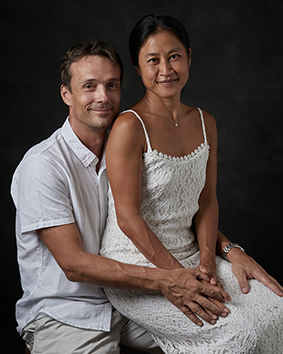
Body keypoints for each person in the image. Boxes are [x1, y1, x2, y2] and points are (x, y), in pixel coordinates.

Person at [11, 38, 281, 354]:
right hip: (68, 310)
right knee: (234, 338)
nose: (103, 97)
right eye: (89, 86)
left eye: (112, 85)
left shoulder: (121, 142)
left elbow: (175, 212)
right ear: (66, 94)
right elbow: (74, 265)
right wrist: (169, 280)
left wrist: (232, 251)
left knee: (263, 321)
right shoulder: (43, 166)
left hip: (128, 295)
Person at [100, 15, 283, 353]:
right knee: (241, 335)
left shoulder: (205, 121)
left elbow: (207, 202)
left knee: (278, 311)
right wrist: (179, 277)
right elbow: (127, 218)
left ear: (188, 57)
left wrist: (208, 264)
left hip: (193, 254)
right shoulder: (129, 126)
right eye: (152, 60)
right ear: (138, 69)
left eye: (174, 56)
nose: (165, 69)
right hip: (137, 264)